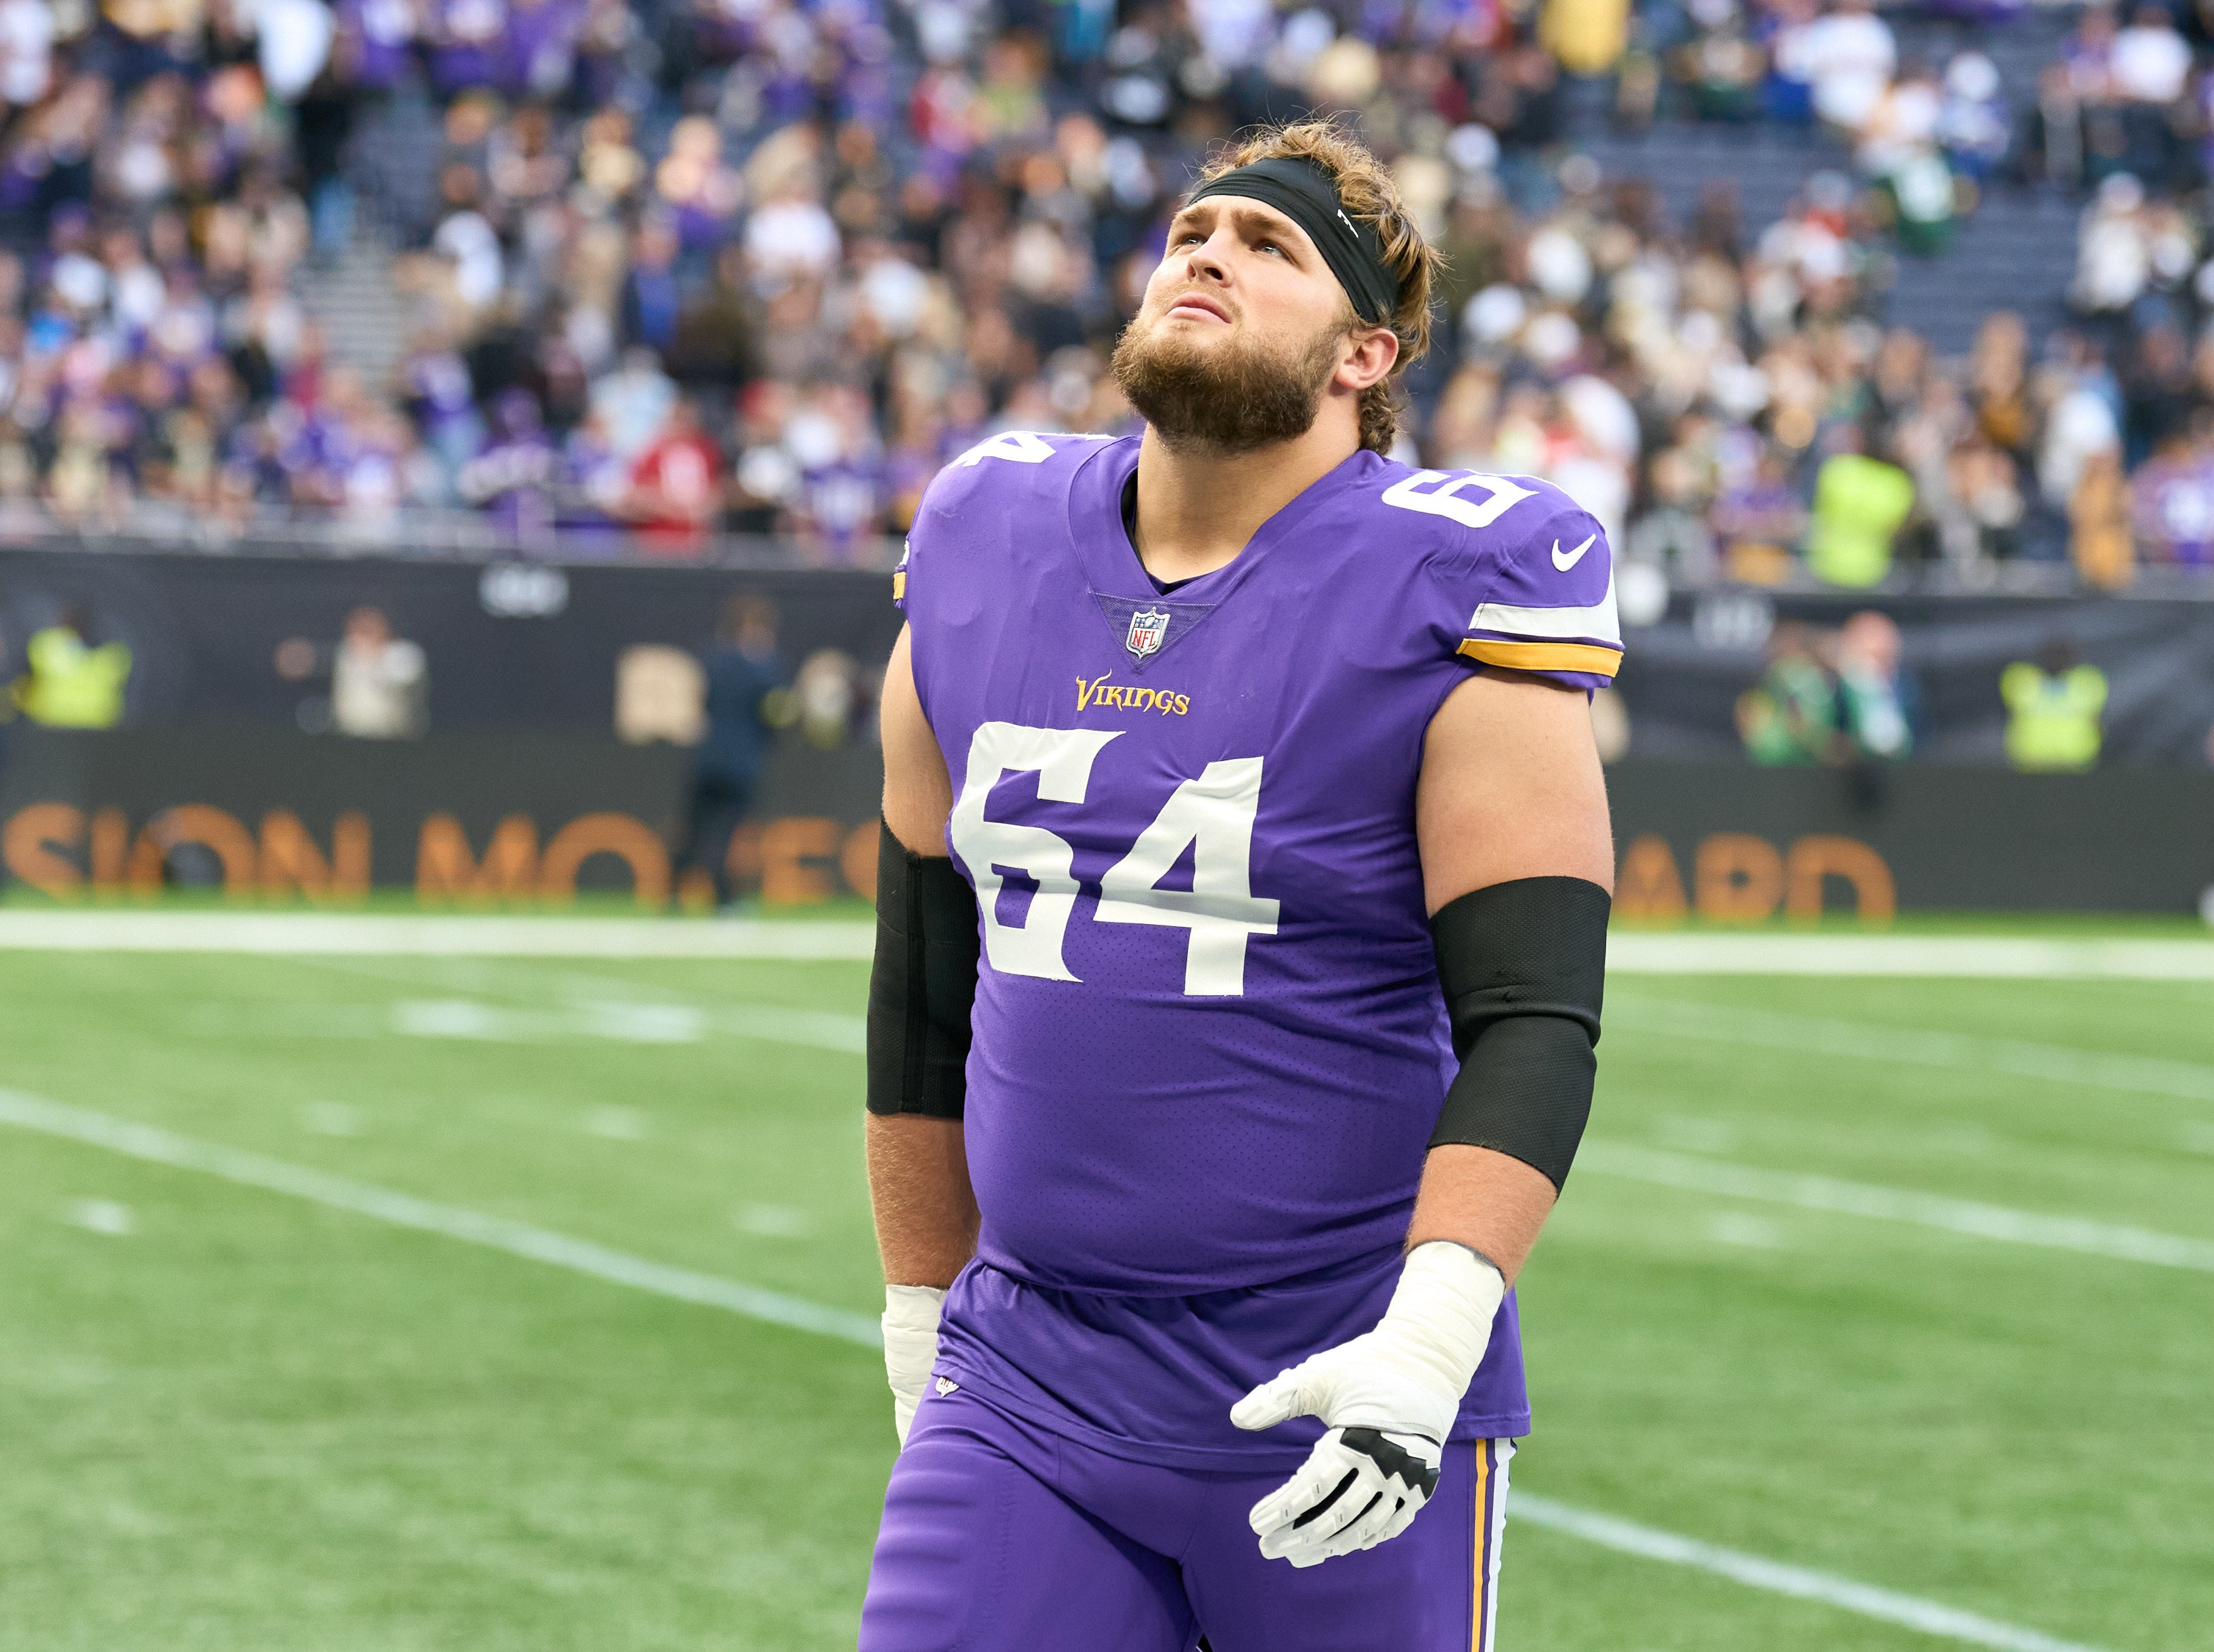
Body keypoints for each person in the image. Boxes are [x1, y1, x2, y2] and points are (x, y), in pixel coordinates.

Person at [860, 121, 1618, 1652]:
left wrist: (1428, 1345)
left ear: (1365, 353)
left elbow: (1534, 1016)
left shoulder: (1456, 579)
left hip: (1334, 1368)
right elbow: (927, 980)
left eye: (1268, 247)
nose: (1207, 250)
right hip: (1028, 1374)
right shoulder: (982, 528)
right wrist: (919, 1302)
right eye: (1193, 230)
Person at [675, 593, 787, 909]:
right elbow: (774, 714)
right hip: (740, 763)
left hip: (707, 756)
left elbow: (706, 702)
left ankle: (672, 892)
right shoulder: (765, 667)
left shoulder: (712, 659)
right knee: (727, 834)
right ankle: (723, 896)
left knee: (694, 828)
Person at [11, 605, 131, 728]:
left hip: (49, 722)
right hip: (97, 724)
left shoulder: (44, 645)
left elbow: (24, 684)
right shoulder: (114, 656)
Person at [331, 606, 426, 738]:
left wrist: (376, 659)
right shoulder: (346, 653)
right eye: (355, 632)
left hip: (394, 736)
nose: (359, 638)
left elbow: (405, 681)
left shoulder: (404, 653)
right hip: (350, 735)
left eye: (367, 631)